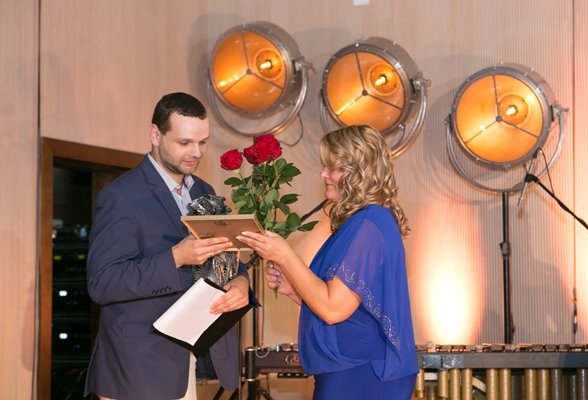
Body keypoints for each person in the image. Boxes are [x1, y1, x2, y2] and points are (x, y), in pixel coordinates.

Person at [84, 92, 250, 400]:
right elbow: (102, 284)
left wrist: (241, 282)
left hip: (190, 358)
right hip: (137, 369)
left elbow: (225, 256)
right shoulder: (121, 196)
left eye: (202, 142)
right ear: (155, 135)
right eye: (185, 142)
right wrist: (176, 257)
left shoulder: (204, 190)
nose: (196, 152)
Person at [237, 125, 418, 399]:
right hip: (351, 368)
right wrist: (293, 289)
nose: (323, 174)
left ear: (357, 172)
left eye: (331, 168)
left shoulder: (368, 224)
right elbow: (347, 308)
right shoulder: (362, 222)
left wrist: (286, 255)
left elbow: (334, 310)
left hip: (361, 374)